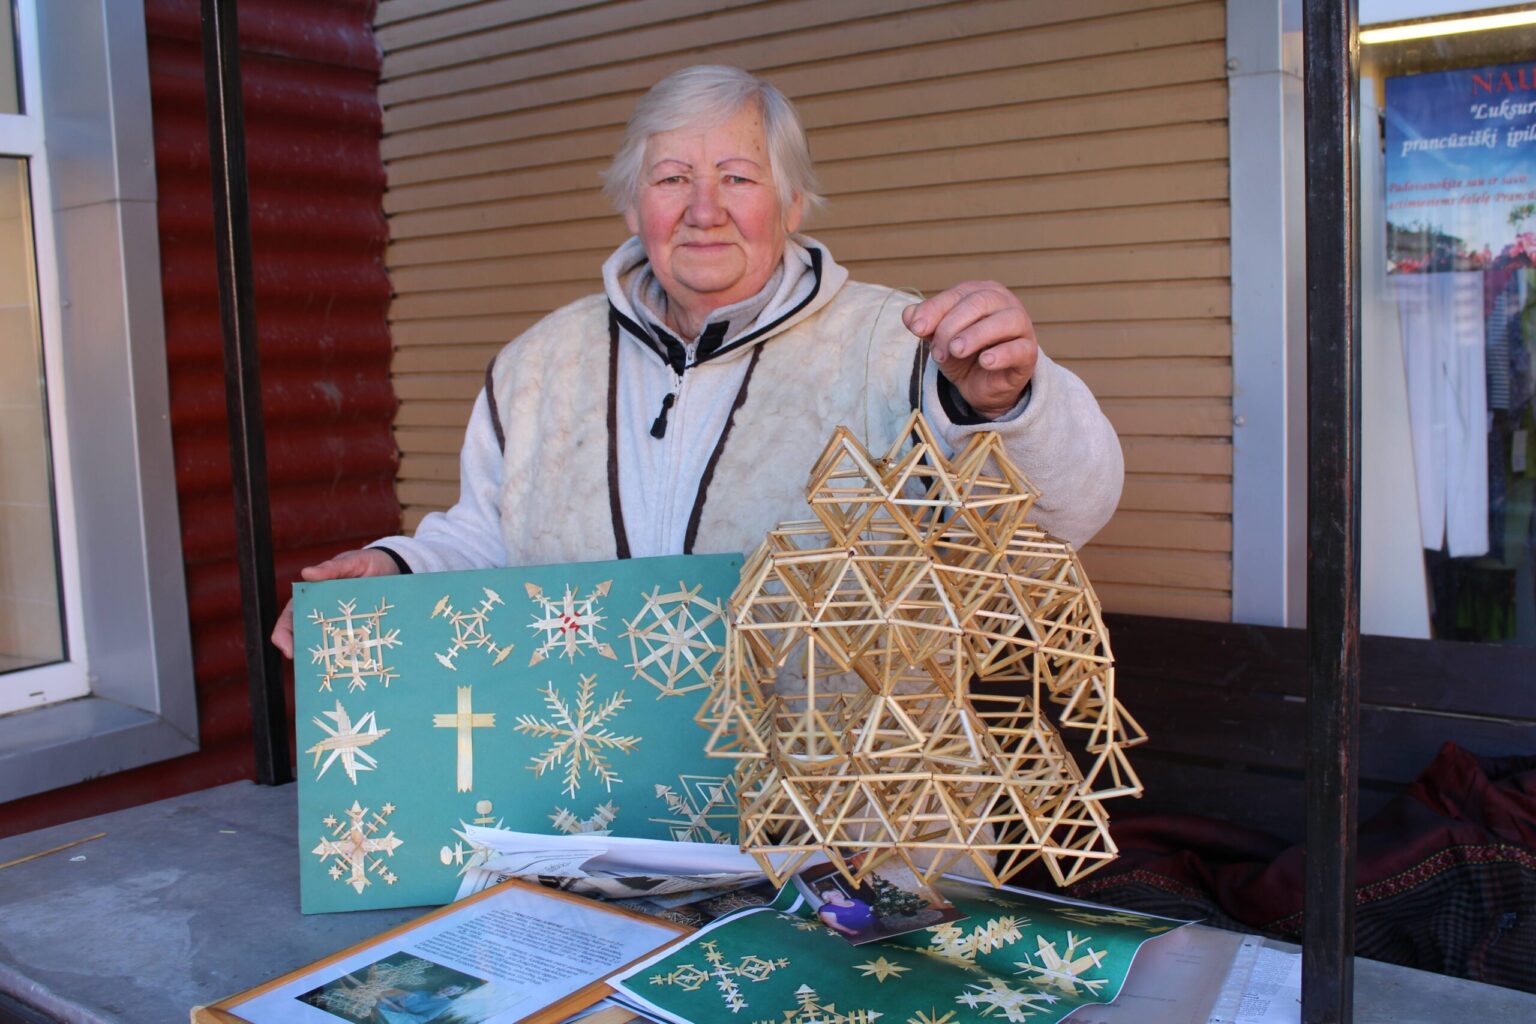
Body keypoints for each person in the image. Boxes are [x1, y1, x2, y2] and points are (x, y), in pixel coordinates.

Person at [272, 64, 1123, 658]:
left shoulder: (904, 344)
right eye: (673, 177)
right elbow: (490, 540)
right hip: (603, 793)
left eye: (738, 178)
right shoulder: (537, 365)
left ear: (793, 203)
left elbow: (1067, 518)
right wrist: (393, 569)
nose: (704, 210)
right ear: (632, 203)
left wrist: (1007, 405)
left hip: (838, 814)